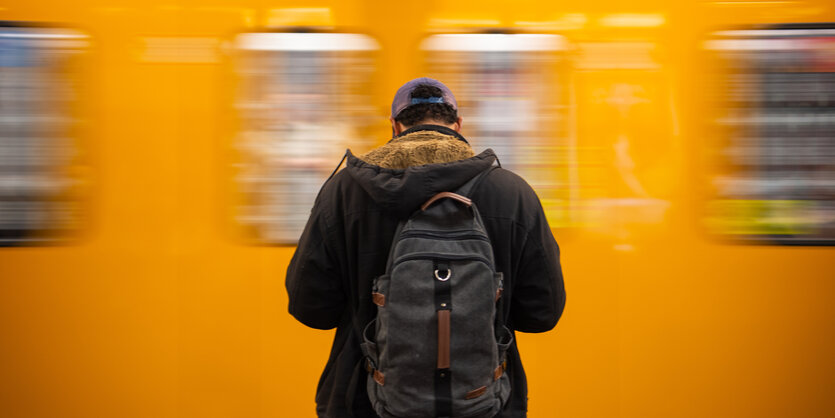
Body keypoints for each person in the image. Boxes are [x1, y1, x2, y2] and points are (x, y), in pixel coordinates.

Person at [286, 77, 566, 417]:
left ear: (395, 127)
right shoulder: (512, 192)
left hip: (364, 400)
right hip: (484, 403)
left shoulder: (344, 191)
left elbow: (311, 308)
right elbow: (542, 314)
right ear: (458, 125)